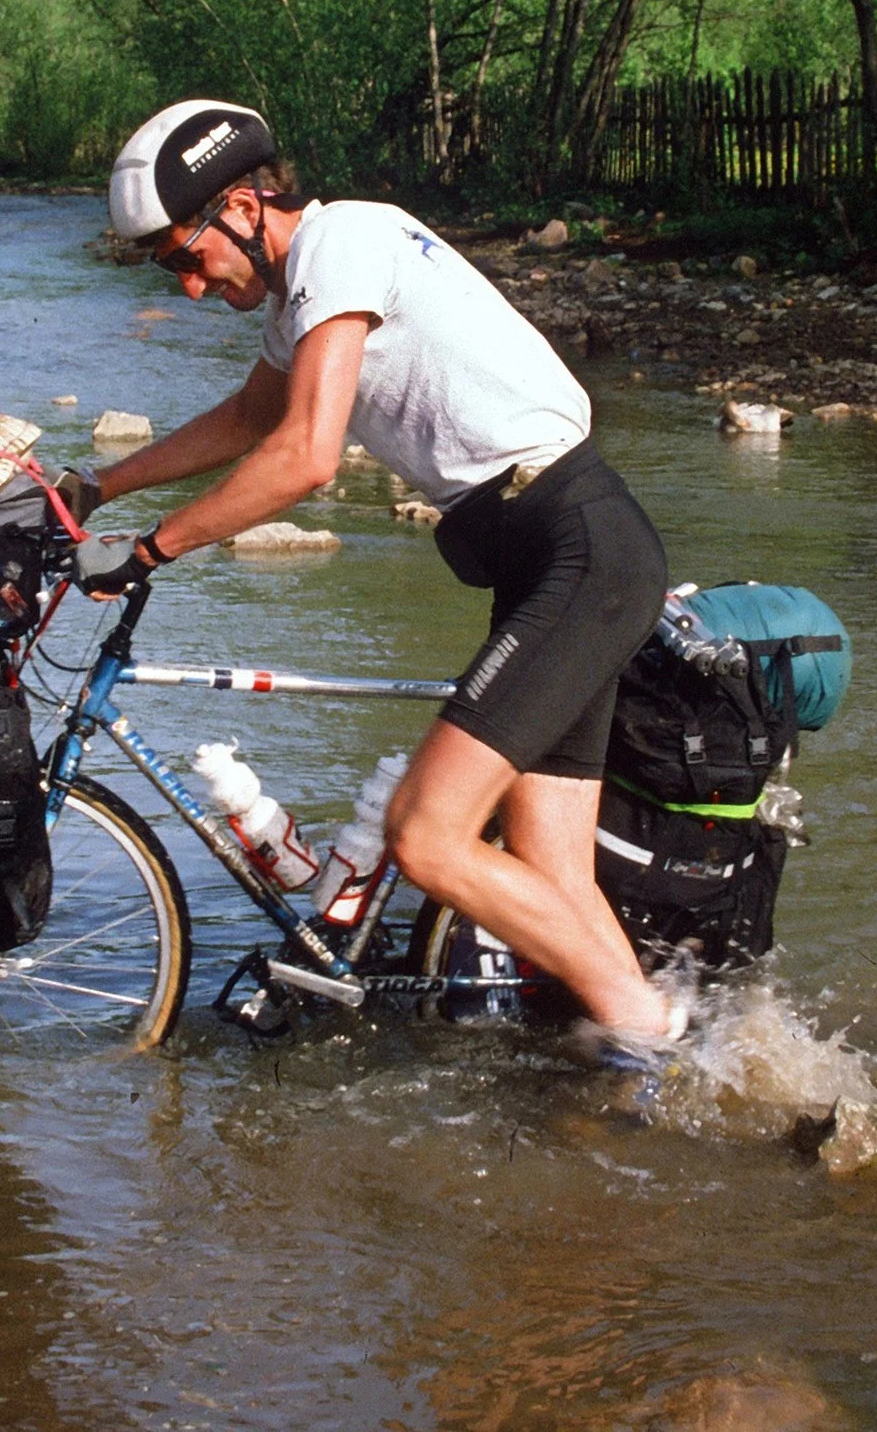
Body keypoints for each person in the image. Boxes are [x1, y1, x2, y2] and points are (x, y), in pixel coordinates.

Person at [65, 99, 684, 1052]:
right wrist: (97, 485)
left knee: (428, 835)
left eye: (189, 256)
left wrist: (153, 549)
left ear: (241, 204)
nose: (189, 287)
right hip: (546, 559)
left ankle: (657, 1032)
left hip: (576, 545)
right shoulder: (302, 297)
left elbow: (307, 456)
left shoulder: (341, 244)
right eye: (168, 270)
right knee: (551, 876)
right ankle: (667, 1061)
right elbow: (247, 422)